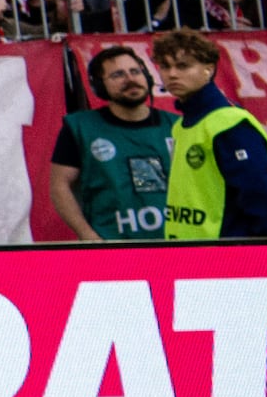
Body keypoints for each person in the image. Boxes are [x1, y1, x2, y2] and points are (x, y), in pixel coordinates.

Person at [156, 29, 267, 242]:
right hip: (195, 259)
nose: (172, 74)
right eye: (165, 66)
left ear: (208, 69)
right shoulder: (182, 126)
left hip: (239, 259)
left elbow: (259, 195)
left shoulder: (228, 123)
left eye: (183, 66)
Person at [43, 38, 175, 246]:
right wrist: (88, 236)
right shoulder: (80, 128)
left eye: (135, 72)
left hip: (178, 245)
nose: (130, 79)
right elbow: (60, 185)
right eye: (117, 75)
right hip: (111, 246)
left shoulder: (176, 126)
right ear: (99, 87)